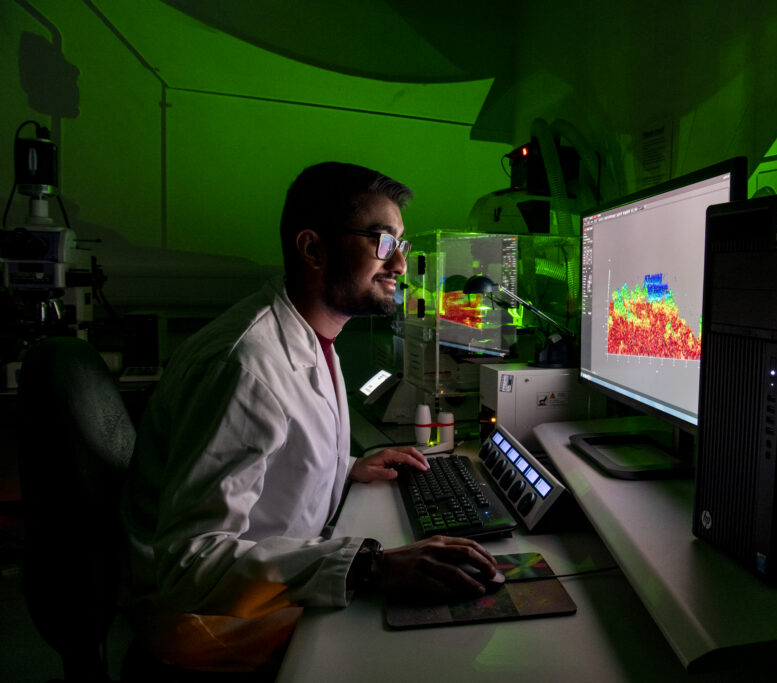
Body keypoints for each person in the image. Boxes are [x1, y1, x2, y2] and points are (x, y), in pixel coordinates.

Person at [121, 162, 498, 674]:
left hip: (251, 598)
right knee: (438, 654)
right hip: (211, 629)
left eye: (401, 246)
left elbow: (267, 457)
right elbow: (191, 563)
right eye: (383, 242)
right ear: (314, 248)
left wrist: (345, 467)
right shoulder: (244, 365)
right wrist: (370, 565)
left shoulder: (309, 337)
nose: (401, 265)